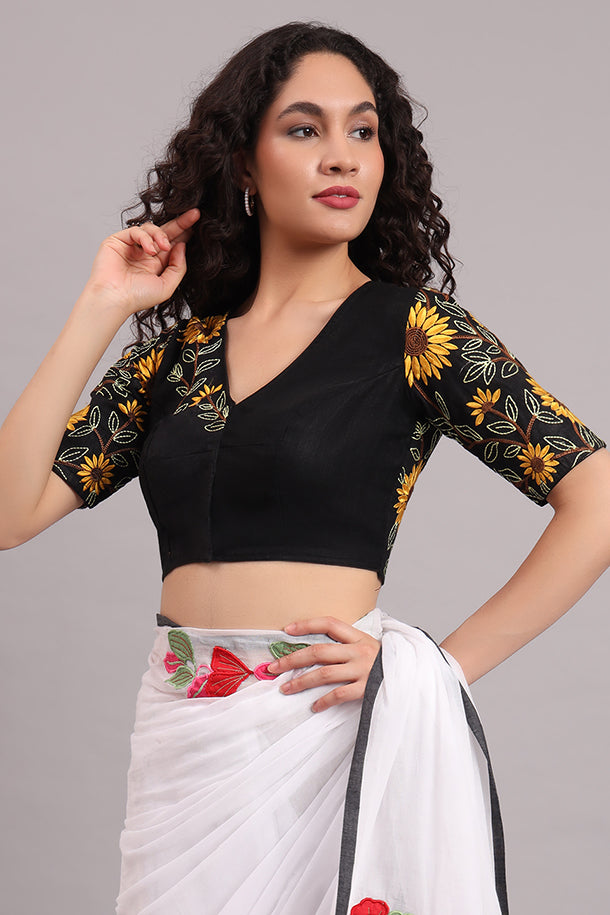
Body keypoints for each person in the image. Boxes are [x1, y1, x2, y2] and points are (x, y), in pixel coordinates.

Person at [0, 20, 608, 915]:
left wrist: (437, 669)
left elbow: (597, 498)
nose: (341, 156)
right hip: (182, 744)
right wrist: (102, 306)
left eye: (363, 130)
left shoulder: (415, 333)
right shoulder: (174, 360)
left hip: (330, 732)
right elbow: (9, 513)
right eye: (303, 128)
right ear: (244, 165)